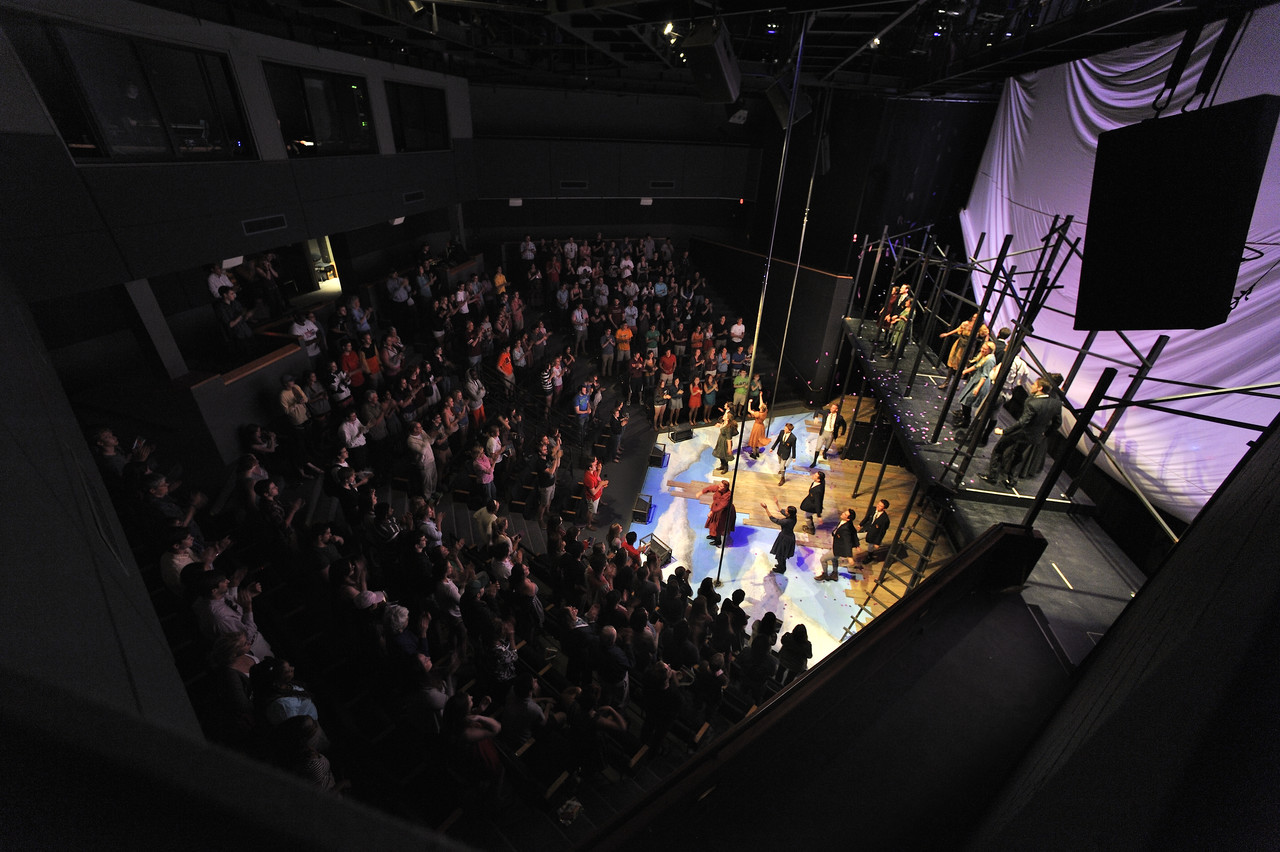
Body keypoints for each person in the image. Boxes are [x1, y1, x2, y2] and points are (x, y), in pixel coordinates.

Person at [983, 375, 1064, 488]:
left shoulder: (1032, 402)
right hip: (1034, 436)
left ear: (1040, 388)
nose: (1032, 386)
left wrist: (1004, 431)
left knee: (999, 449)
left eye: (1034, 385)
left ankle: (992, 476)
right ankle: (1012, 481)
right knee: (1018, 455)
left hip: (1020, 433)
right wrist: (1045, 434)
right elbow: (1057, 423)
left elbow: (1022, 422)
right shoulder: (1056, 404)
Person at [953, 341, 996, 429]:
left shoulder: (990, 360)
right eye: (982, 348)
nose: (982, 350)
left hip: (980, 383)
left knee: (967, 401)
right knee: (965, 401)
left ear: (990, 350)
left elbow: (984, 375)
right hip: (976, 379)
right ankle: (965, 418)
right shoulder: (984, 357)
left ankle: (966, 421)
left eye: (985, 349)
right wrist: (965, 371)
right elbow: (977, 366)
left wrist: (977, 388)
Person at [818, 508, 858, 581]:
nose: (842, 514)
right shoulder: (848, 523)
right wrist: (857, 544)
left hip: (838, 548)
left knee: (823, 559)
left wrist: (849, 556)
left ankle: (825, 574)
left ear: (848, 519)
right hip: (837, 544)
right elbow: (854, 532)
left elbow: (847, 542)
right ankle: (835, 574)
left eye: (845, 514)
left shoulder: (846, 529)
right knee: (834, 559)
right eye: (844, 513)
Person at [761, 500, 797, 574]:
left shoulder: (786, 522)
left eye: (787, 510)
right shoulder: (794, 517)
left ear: (789, 514)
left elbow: (773, 519)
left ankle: (781, 568)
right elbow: (782, 511)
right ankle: (781, 565)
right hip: (789, 536)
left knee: (780, 554)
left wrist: (766, 508)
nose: (785, 511)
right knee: (781, 554)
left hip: (785, 539)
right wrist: (777, 503)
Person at [855, 499, 891, 567]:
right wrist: (861, 524)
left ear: (884, 508)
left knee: (870, 546)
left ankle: (869, 556)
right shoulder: (873, 509)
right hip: (867, 529)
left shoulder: (885, 519)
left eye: (880, 506)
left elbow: (882, 532)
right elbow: (867, 518)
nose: (878, 506)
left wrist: (877, 542)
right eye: (878, 504)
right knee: (856, 536)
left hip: (874, 534)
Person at [699, 480, 735, 547]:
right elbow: (711, 488)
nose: (719, 486)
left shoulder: (728, 495)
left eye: (721, 486)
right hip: (716, 509)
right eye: (719, 485)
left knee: (719, 526)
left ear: (725, 488)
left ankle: (717, 541)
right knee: (713, 523)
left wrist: (712, 511)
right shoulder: (719, 488)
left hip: (723, 513)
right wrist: (702, 492)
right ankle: (713, 535)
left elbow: (722, 505)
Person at [811, 403, 847, 467]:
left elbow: (844, 424)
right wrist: (816, 417)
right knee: (818, 447)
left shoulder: (839, 418)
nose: (831, 408)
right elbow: (817, 410)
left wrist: (842, 432)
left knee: (827, 446)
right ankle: (814, 461)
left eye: (833, 408)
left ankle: (824, 452)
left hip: (831, 433)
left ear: (836, 410)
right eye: (831, 407)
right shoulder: (826, 412)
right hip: (823, 432)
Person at [582, 456, 608, 530]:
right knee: (590, 511)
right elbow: (593, 492)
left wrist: (599, 470)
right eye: (594, 464)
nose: (596, 465)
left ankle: (591, 519)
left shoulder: (592, 471)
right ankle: (589, 524)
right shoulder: (588, 478)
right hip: (592, 498)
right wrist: (601, 484)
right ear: (590, 467)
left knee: (592, 510)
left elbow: (596, 477)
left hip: (596, 496)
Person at [799, 469, 825, 534]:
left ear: (818, 480)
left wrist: (819, 515)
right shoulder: (820, 482)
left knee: (807, 516)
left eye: (815, 476)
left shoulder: (818, 491)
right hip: (810, 500)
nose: (813, 475)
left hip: (812, 506)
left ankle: (811, 528)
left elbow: (818, 502)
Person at [712, 409, 737, 475]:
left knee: (724, 456)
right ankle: (722, 465)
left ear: (728, 419)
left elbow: (729, 439)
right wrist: (720, 426)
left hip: (725, 442)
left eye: (725, 415)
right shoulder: (724, 423)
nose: (723, 416)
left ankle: (725, 467)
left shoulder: (729, 427)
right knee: (720, 454)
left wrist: (729, 448)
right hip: (721, 440)